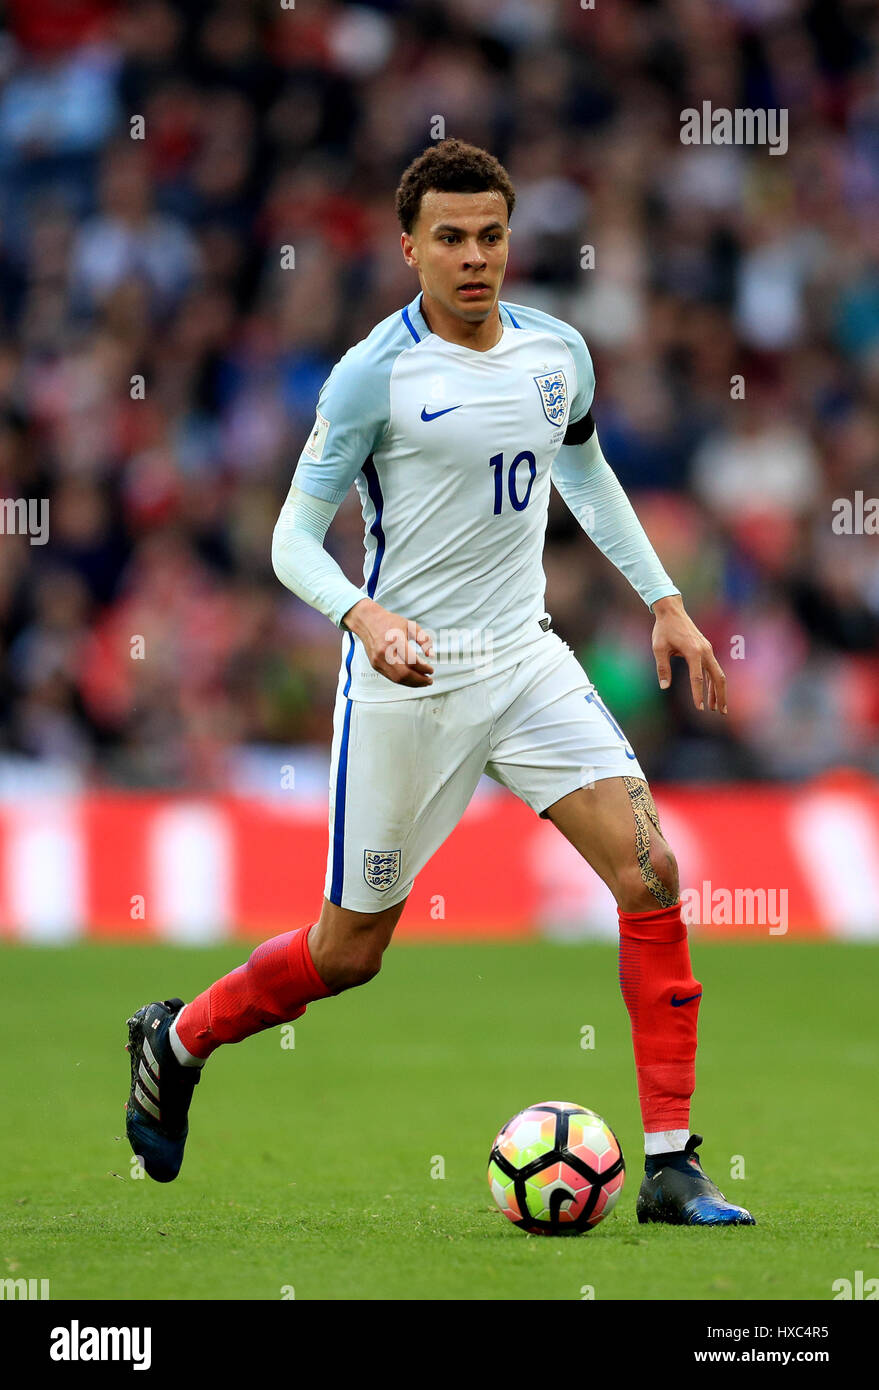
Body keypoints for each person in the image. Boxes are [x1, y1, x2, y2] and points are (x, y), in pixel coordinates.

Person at [124, 139, 754, 1226]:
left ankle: (669, 1164)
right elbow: (289, 539)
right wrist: (361, 615)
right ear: (409, 246)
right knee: (348, 952)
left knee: (651, 870)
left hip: (524, 657)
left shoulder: (558, 353)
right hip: (406, 683)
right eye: (451, 238)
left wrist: (663, 598)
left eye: (491, 236)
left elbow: (584, 471)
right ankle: (177, 1039)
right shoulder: (374, 374)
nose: (475, 257)